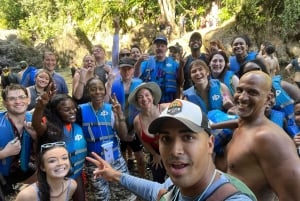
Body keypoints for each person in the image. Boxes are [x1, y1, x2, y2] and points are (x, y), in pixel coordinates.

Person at [86, 99, 257, 201]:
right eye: (166, 138)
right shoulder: (176, 187)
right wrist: (114, 175)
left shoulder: (232, 198)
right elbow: (156, 191)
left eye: (188, 137)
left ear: (210, 144)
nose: (175, 151)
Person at [220, 71, 300, 200]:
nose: (242, 97)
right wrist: (209, 127)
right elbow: (238, 122)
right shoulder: (244, 124)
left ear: (268, 99)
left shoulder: (270, 139)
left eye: (252, 92)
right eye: (239, 90)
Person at [76, 77, 136, 200]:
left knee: (123, 192)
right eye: (93, 89)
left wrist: (120, 116)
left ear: (105, 90)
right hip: (93, 162)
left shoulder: (112, 109)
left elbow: (123, 135)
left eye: (100, 89)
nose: (97, 92)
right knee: (101, 196)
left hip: (115, 159)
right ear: (88, 91)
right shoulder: (80, 110)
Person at [32, 89, 87, 201]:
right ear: (56, 112)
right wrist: (40, 107)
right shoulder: (50, 129)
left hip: (76, 173)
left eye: (73, 108)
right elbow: (36, 124)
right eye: (66, 110)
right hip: (56, 176)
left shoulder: (77, 126)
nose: (72, 112)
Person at [110, 57, 146, 177]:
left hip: (135, 123)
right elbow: (109, 105)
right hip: (120, 124)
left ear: (133, 70)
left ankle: (143, 179)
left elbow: (144, 105)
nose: (126, 72)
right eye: (123, 69)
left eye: (129, 69)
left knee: (140, 157)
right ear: (119, 70)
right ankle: (126, 178)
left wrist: (137, 128)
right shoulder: (114, 85)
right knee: (122, 153)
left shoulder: (139, 84)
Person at [0, 84, 37, 197]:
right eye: (12, 98)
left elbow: (47, 151)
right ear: (5, 103)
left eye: (21, 97)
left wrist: (36, 137)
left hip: (21, 168)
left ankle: (18, 187)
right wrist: (4, 153)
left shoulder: (34, 120)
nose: (18, 101)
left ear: (28, 100)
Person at [128, 82, 169, 183]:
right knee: (158, 180)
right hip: (156, 152)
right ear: (137, 102)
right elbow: (143, 140)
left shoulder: (165, 108)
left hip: (173, 149)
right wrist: (154, 154)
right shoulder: (137, 121)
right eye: (140, 97)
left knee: (178, 179)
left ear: (153, 97)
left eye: (147, 95)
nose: (144, 99)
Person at [135, 35, 180, 103]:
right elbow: (136, 75)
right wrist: (139, 62)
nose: (160, 48)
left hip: (168, 102)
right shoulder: (146, 62)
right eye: (157, 46)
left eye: (162, 46)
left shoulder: (174, 64)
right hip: (150, 102)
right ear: (154, 48)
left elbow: (180, 83)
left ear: (166, 49)